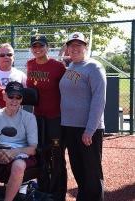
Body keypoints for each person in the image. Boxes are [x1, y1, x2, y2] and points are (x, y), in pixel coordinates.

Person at [59, 32, 106, 201]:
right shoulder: (69, 67)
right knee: (78, 169)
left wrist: (90, 129)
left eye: (79, 45)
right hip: (69, 127)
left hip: (87, 128)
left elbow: (99, 100)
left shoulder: (94, 67)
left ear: (85, 47)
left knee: (91, 172)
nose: (75, 48)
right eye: (72, 45)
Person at [26, 35, 67, 201]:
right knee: (41, 154)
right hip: (38, 118)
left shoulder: (58, 66)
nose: (37, 49)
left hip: (55, 118)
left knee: (57, 155)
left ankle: (58, 194)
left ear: (47, 47)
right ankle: (44, 191)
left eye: (41, 46)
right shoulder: (30, 64)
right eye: (34, 46)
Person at [0, 81, 38, 201]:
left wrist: (14, 152)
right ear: (4, 96)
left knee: (18, 166)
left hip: (20, 153)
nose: (14, 100)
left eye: (18, 97)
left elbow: (33, 148)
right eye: (11, 96)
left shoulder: (29, 117)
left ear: (22, 99)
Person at [0, 43, 27, 112]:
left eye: (9, 55)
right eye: (2, 55)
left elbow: (25, 97)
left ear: (13, 57)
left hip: (14, 116)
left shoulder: (21, 75)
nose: (6, 57)